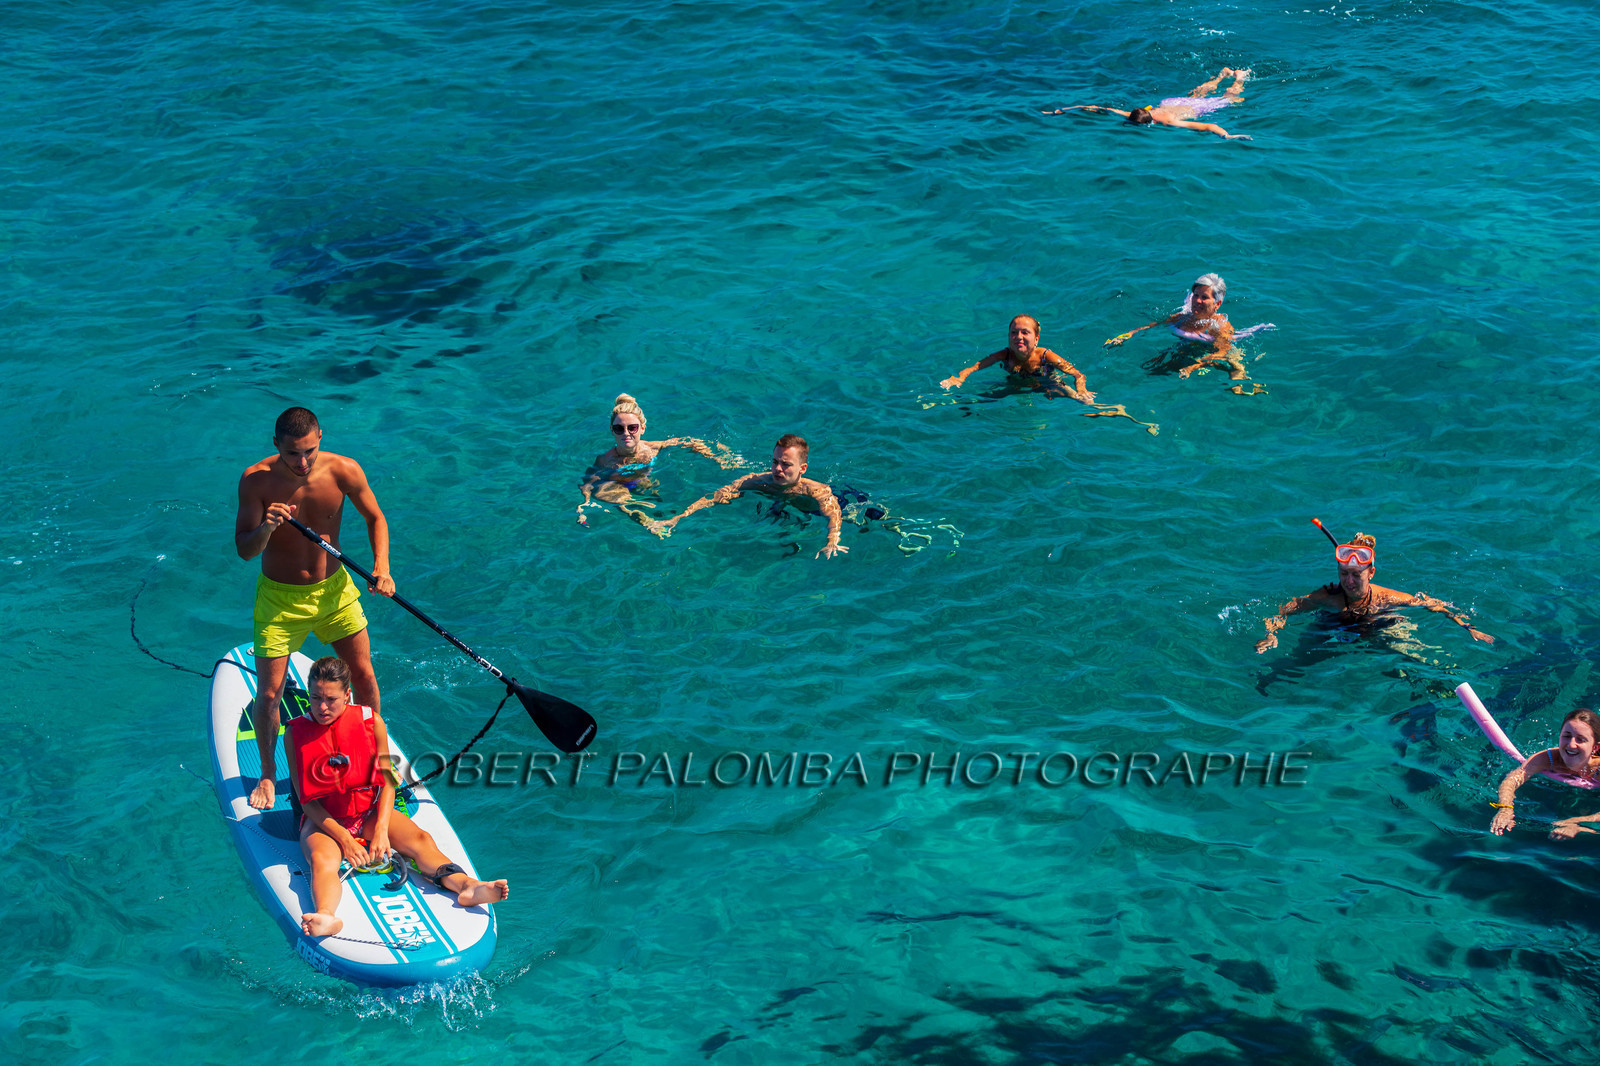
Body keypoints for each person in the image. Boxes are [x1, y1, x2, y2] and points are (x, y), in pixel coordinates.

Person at [235, 406, 395, 811]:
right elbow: (243, 550)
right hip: (280, 600)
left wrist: (382, 568)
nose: (302, 462)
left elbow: (375, 517)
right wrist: (268, 527)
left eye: (308, 450)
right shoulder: (256, 481)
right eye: (292, 454)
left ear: (320, 437)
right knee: (270, 692)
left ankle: (374, 761)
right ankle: (269, 774)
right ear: (277, 446)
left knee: (363, 674)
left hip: (334, 592)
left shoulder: (343, 470)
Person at [289, 656, 508, 937]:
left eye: (330, 699)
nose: (321, 707)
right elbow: (307, 801)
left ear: (347, 695)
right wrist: (345, 839)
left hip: (367, 812)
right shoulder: (295, 732)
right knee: (322, 860)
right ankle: (327, 916)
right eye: (315, 697)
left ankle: (466, 886)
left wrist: (380, 831)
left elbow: (388, 782)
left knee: (420, 839)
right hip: (325, 821)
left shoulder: (371, 723)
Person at [1255, 532, 1495, 653]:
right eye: (1343, 573)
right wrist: (1271, 633)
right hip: (1332, 623)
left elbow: (1434, 605)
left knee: (1414, 655)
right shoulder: (1327, 596)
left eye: (1356, 575)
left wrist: (1468, 628)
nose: (1348, 581)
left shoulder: (1387, 597)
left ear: (1371, 574)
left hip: (1377, 623)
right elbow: (1285, 610)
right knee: (1299, 657)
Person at [941, 314, 1159, 432]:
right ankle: (944, 405)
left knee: (1084, 404)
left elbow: (1077, 374)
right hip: (1017, 385)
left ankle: (1124, 414)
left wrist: (1081, 389)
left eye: (1025, 332)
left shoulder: (1046, 355)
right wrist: (959, 377)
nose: (1018, 336)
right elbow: (977, 365)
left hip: (1048, 384)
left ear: (1036, 339)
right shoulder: (1004, 355)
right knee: (982, 399)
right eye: (1013, 332)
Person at [646, 434, 848, 559]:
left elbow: (834, 513)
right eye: (775, 461)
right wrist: (678, 518)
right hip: (781, 502)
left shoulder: (816, 490)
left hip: (819, 503)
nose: (778, 468)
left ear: (802, 468)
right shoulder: (757, 481)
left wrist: (832, 540)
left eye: (786, 464)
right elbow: (716, 496)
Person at [579, 393, 741, 526]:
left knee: (657, 500)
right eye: (619, 428)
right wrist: (584, 506)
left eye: (632, 427)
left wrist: (717, 456)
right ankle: (649, 524)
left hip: (646, 482)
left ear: (642, 428)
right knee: (608, 494)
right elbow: (589, 482)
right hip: (621, 487)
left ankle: (663, 520)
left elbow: (688, 441)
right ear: (612, 431)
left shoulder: (653, 448)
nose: (626, 433)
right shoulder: (605, 460)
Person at [1104, 273, 1270, 394]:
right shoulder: (1182, 317)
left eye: (1204, 297)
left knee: (1235, 381)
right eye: (1195, 295)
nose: (1197, 301)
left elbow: (1222, 351)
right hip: (1190, 348)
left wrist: (1194, 366)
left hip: (1216, 354)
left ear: (1217, 304)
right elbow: (1152, 326)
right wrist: (1125, 336)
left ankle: (1250, 388)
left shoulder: (1219, 327)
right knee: (1152, 369)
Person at [1044, 67, 1253, 140]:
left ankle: (1238, 77)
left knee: (1231, 98)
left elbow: (1208, 126)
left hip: (1190, 109)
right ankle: (1221, 75)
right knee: (1197, 93)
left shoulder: (1169, 123)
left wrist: (1227, 135)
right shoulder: (1133, 114)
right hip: (1174, 102)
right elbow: (1095, 107)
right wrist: (1061, 110)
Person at [1489, 708, 1600, 841]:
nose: (1571, 744)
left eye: (1580, 739)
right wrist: (1506, 807)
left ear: (1595, 748)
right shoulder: (1548, 759)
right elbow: (1512, 780)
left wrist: (1577, 823)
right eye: (1567, 736)